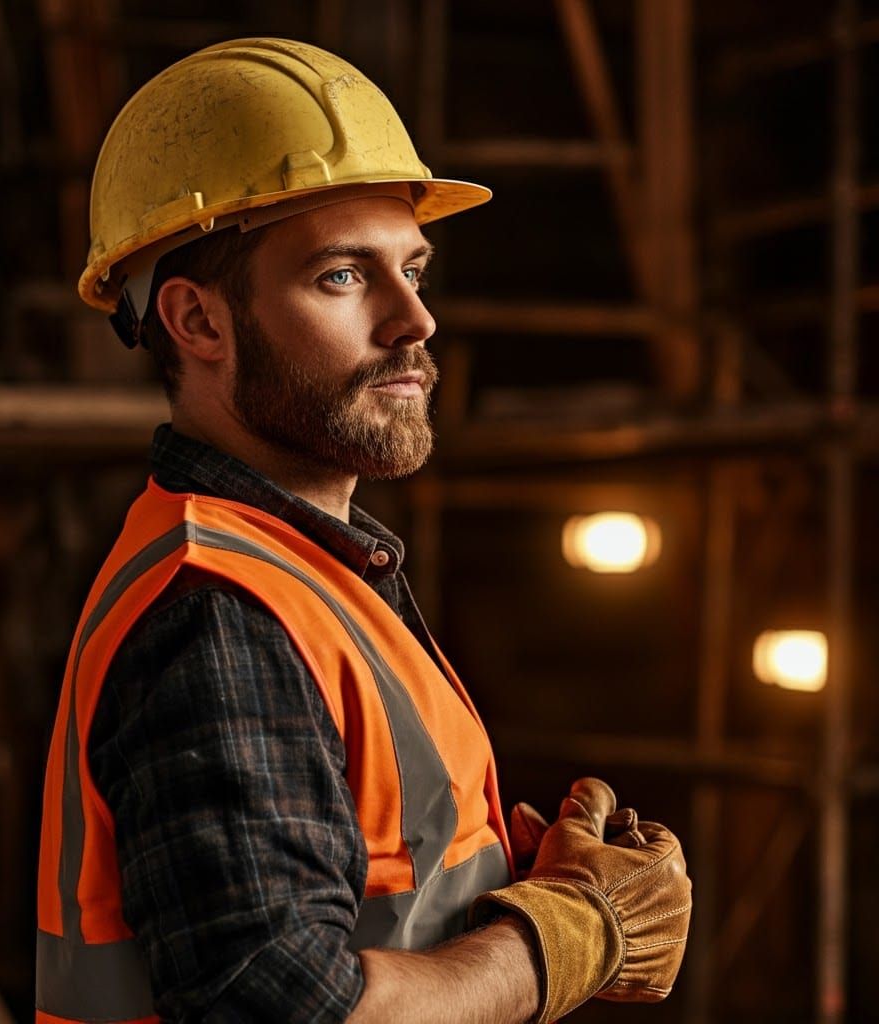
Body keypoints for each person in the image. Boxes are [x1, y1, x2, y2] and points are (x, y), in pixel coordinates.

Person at [35, 38, 692, 1024]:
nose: (414, 320)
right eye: (344, 276)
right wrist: (559, 937)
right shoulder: (217, 610)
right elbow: (280, 1006)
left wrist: (512, 889)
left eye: (413, 269)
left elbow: (372, 907)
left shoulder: (316, 575)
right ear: (197, 321)